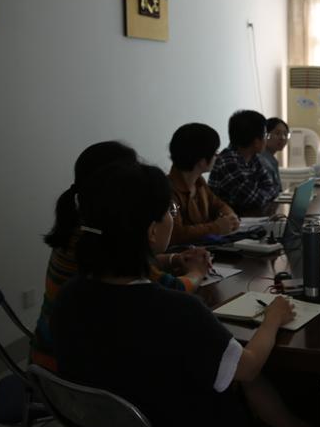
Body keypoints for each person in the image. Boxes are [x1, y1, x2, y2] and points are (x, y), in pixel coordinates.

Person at [50, 161, 296, 427]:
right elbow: (247, 368)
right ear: (153, 232)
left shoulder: (69, 296)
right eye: (170, 211)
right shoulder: (176, 310)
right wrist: (273, 317)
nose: (172, 216)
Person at [30, 141, 210, 371]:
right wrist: (197, 272)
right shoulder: (99, 238)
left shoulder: (83, 227)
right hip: (70, 369)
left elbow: (130, 267)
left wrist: (173, 259)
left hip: (57, 356)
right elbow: (171, 289)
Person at [167, 123, 239, 245]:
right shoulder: (166, 190)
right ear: (201, 160)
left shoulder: (199, 182)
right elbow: (176, 234)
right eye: (215, 152)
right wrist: (216, 228)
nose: (217, 156)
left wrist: (230, 217)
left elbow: (218, 205)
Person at [209, 110, 280, 215]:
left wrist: (263, 194)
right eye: (266, 135)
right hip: (229, 222)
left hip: (248, 219)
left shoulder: (253, 158)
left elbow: (272, 188)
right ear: (256, 142)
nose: (266, 139)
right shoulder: (227, 162)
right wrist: (264, 194)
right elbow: (255, 200)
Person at [257, 117, 289, 191]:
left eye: (285, 134)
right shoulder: (262, 161)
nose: (282, 138)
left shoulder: (271, 159)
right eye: (277, 133)